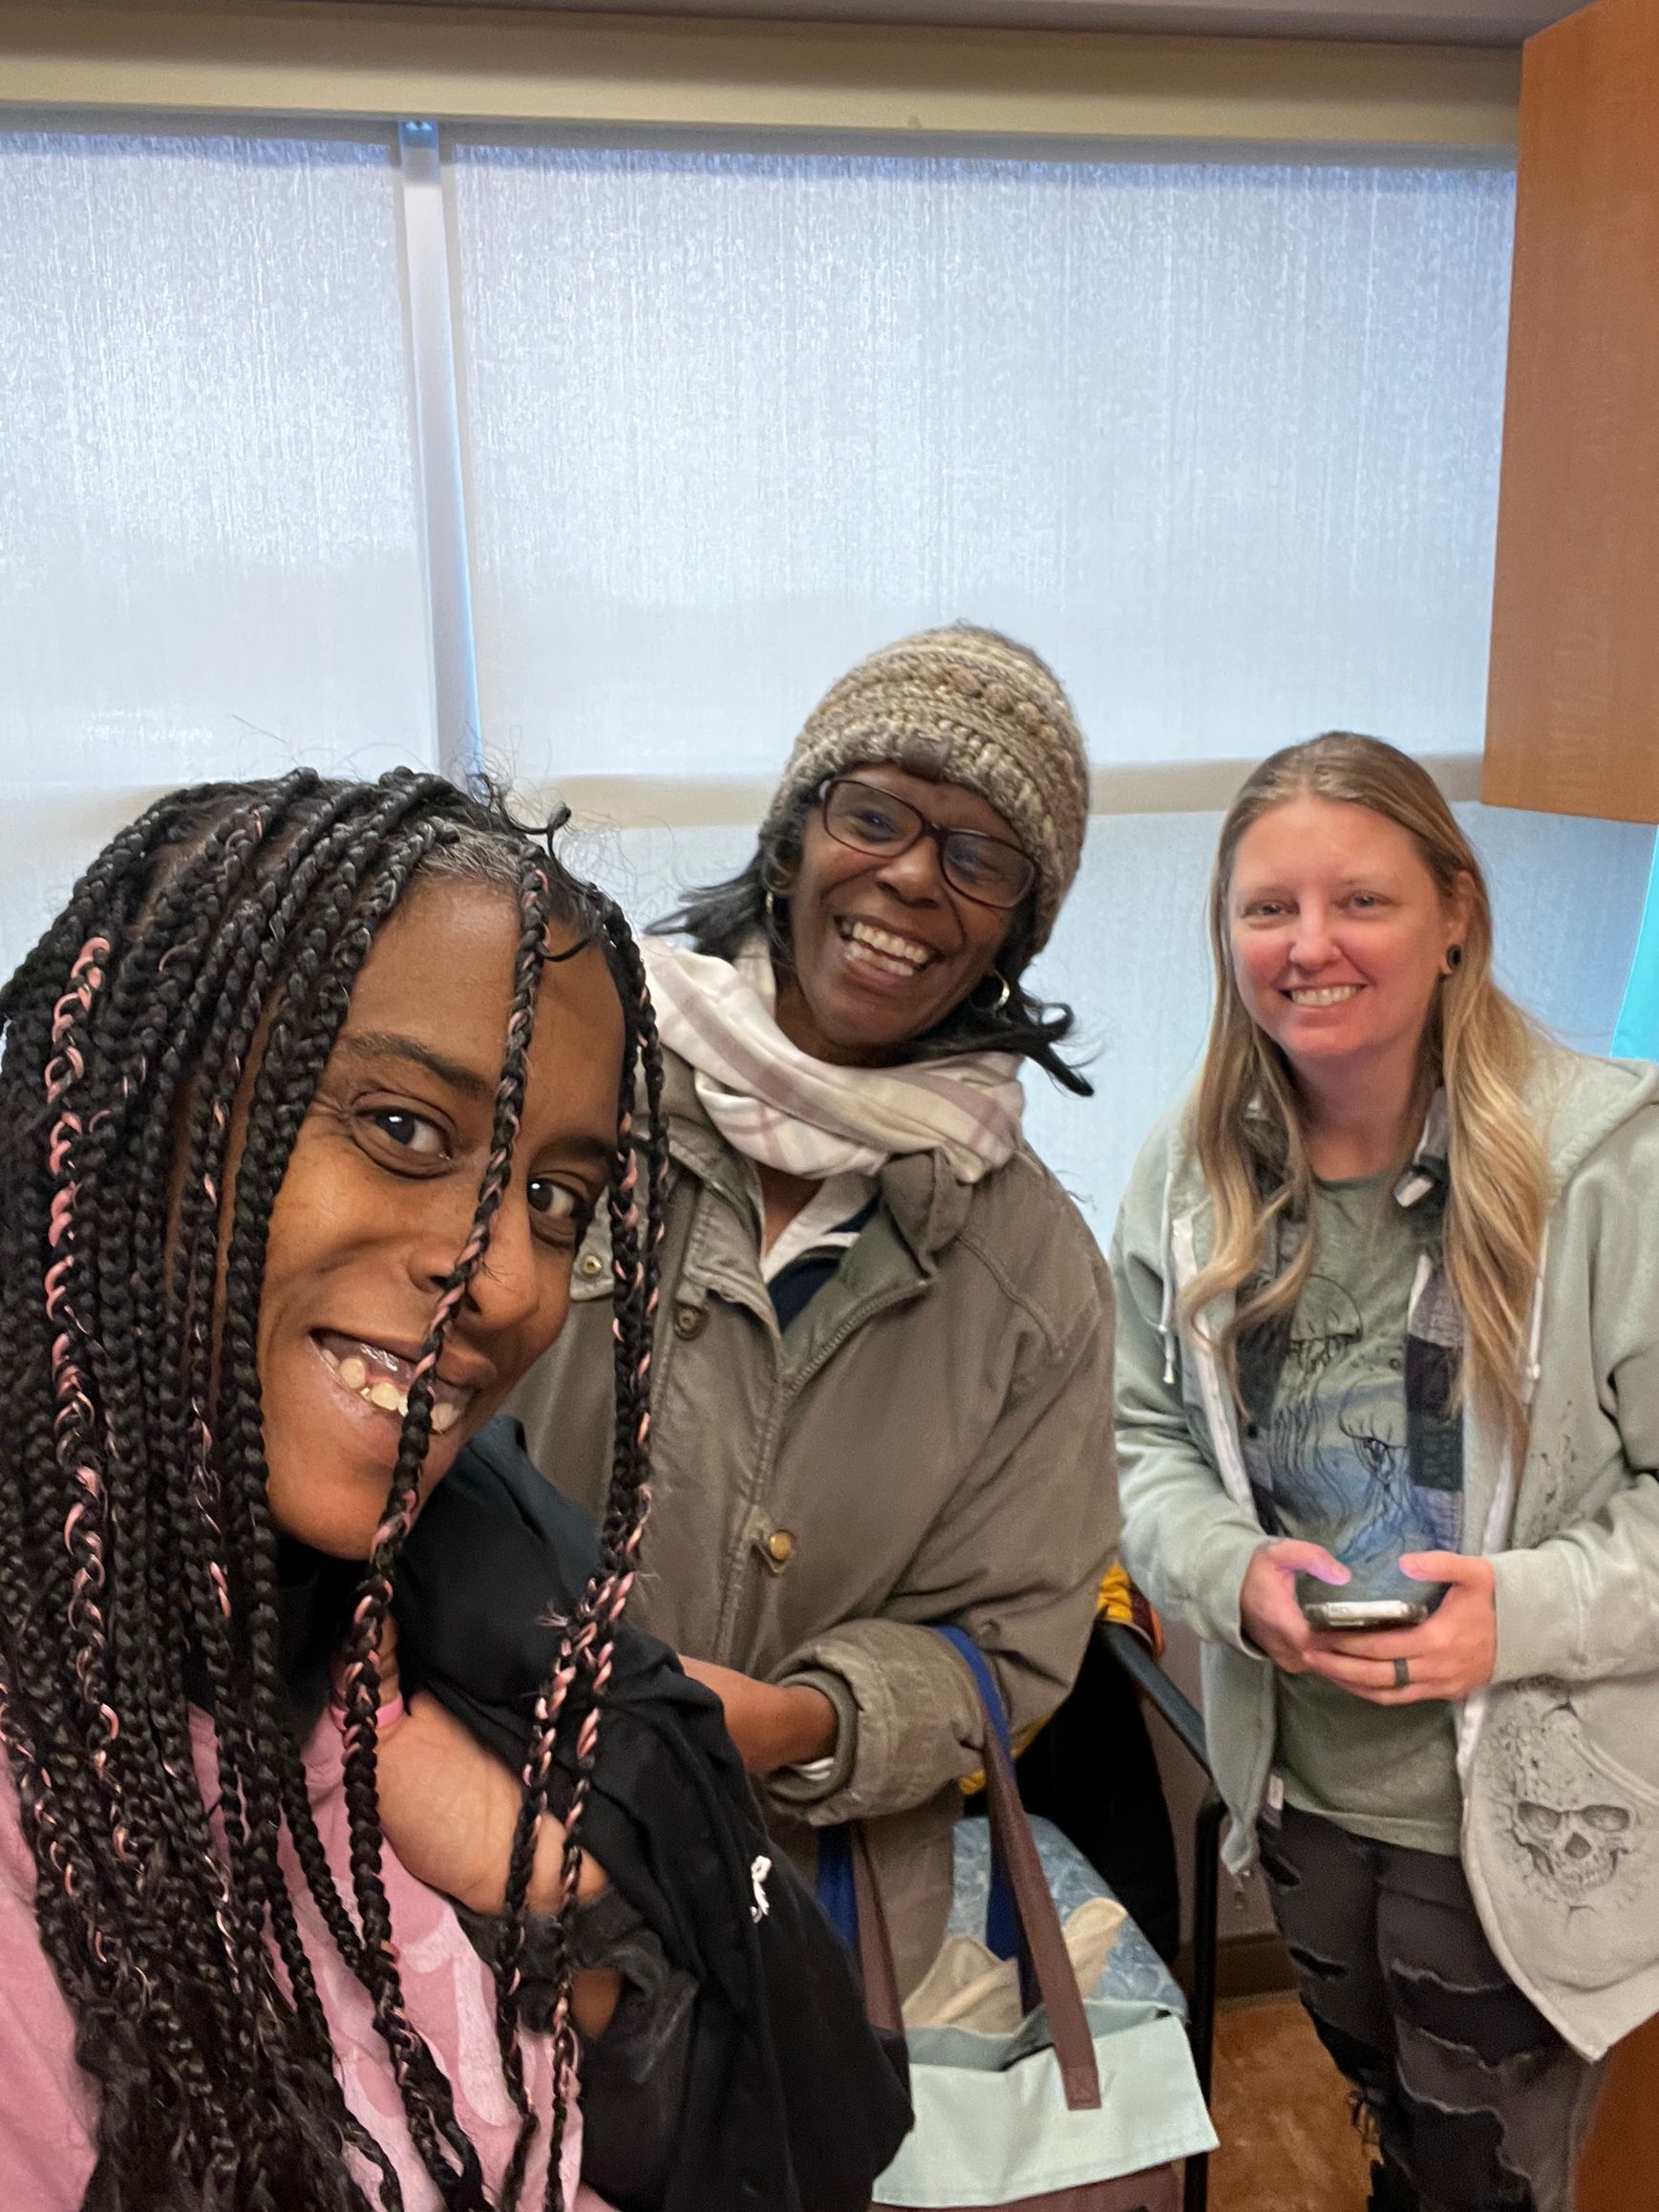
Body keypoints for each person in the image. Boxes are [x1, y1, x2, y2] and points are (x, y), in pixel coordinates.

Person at [0, 771, 907, 2212]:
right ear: (132, 1107)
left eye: (554, 1199)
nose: (505, 1280)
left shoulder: (395, 1613)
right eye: (404, 1131)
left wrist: (568, 1904)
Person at [512, 623, 1122, 1994]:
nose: (912, 875)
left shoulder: (1030, 1273)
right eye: (878, 813)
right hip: (476, 1826)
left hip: (798, 1908)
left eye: (979, 856)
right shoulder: (569, 1094)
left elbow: (1015, 1636)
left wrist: (801, 1719)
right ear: (794, 836)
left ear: (1013, 930)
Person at [1113, 733, 1659, 2212]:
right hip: (1303, 1796)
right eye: (1264, 909)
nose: (1308, 948)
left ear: (1456, 912)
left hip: (1532, 1813)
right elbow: (1142, 1444)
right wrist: (1230, 1577)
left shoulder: (1607, 1164)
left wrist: (1521, 1610)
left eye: (1359, 901)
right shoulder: (1185, 1181)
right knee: (1393, 2133)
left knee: (1494, 2174)